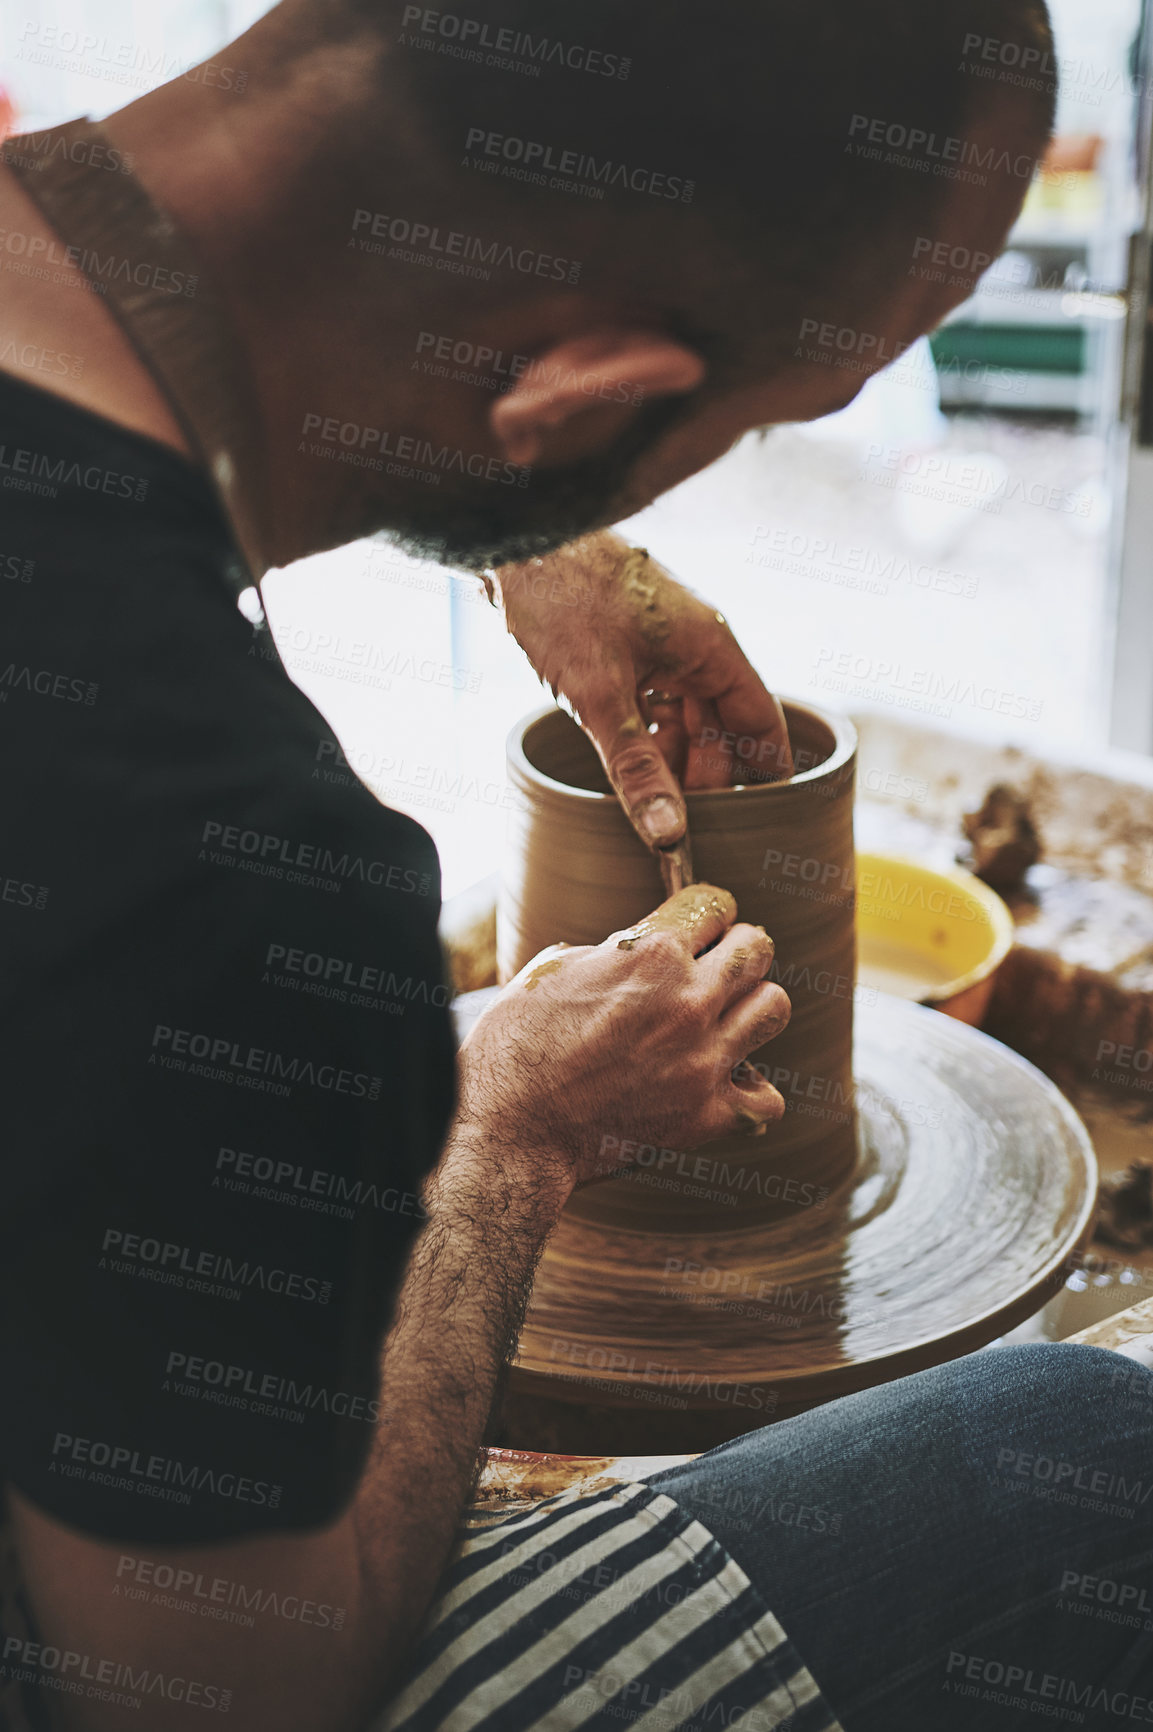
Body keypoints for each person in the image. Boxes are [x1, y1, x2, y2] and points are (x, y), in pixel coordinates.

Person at [0, 1, 1149, 1728]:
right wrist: (508, 1133)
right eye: (766, 415)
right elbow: (198, 1693)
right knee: (1076, 1465)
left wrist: (521, 513)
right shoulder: (225, 864)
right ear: (575, 389)